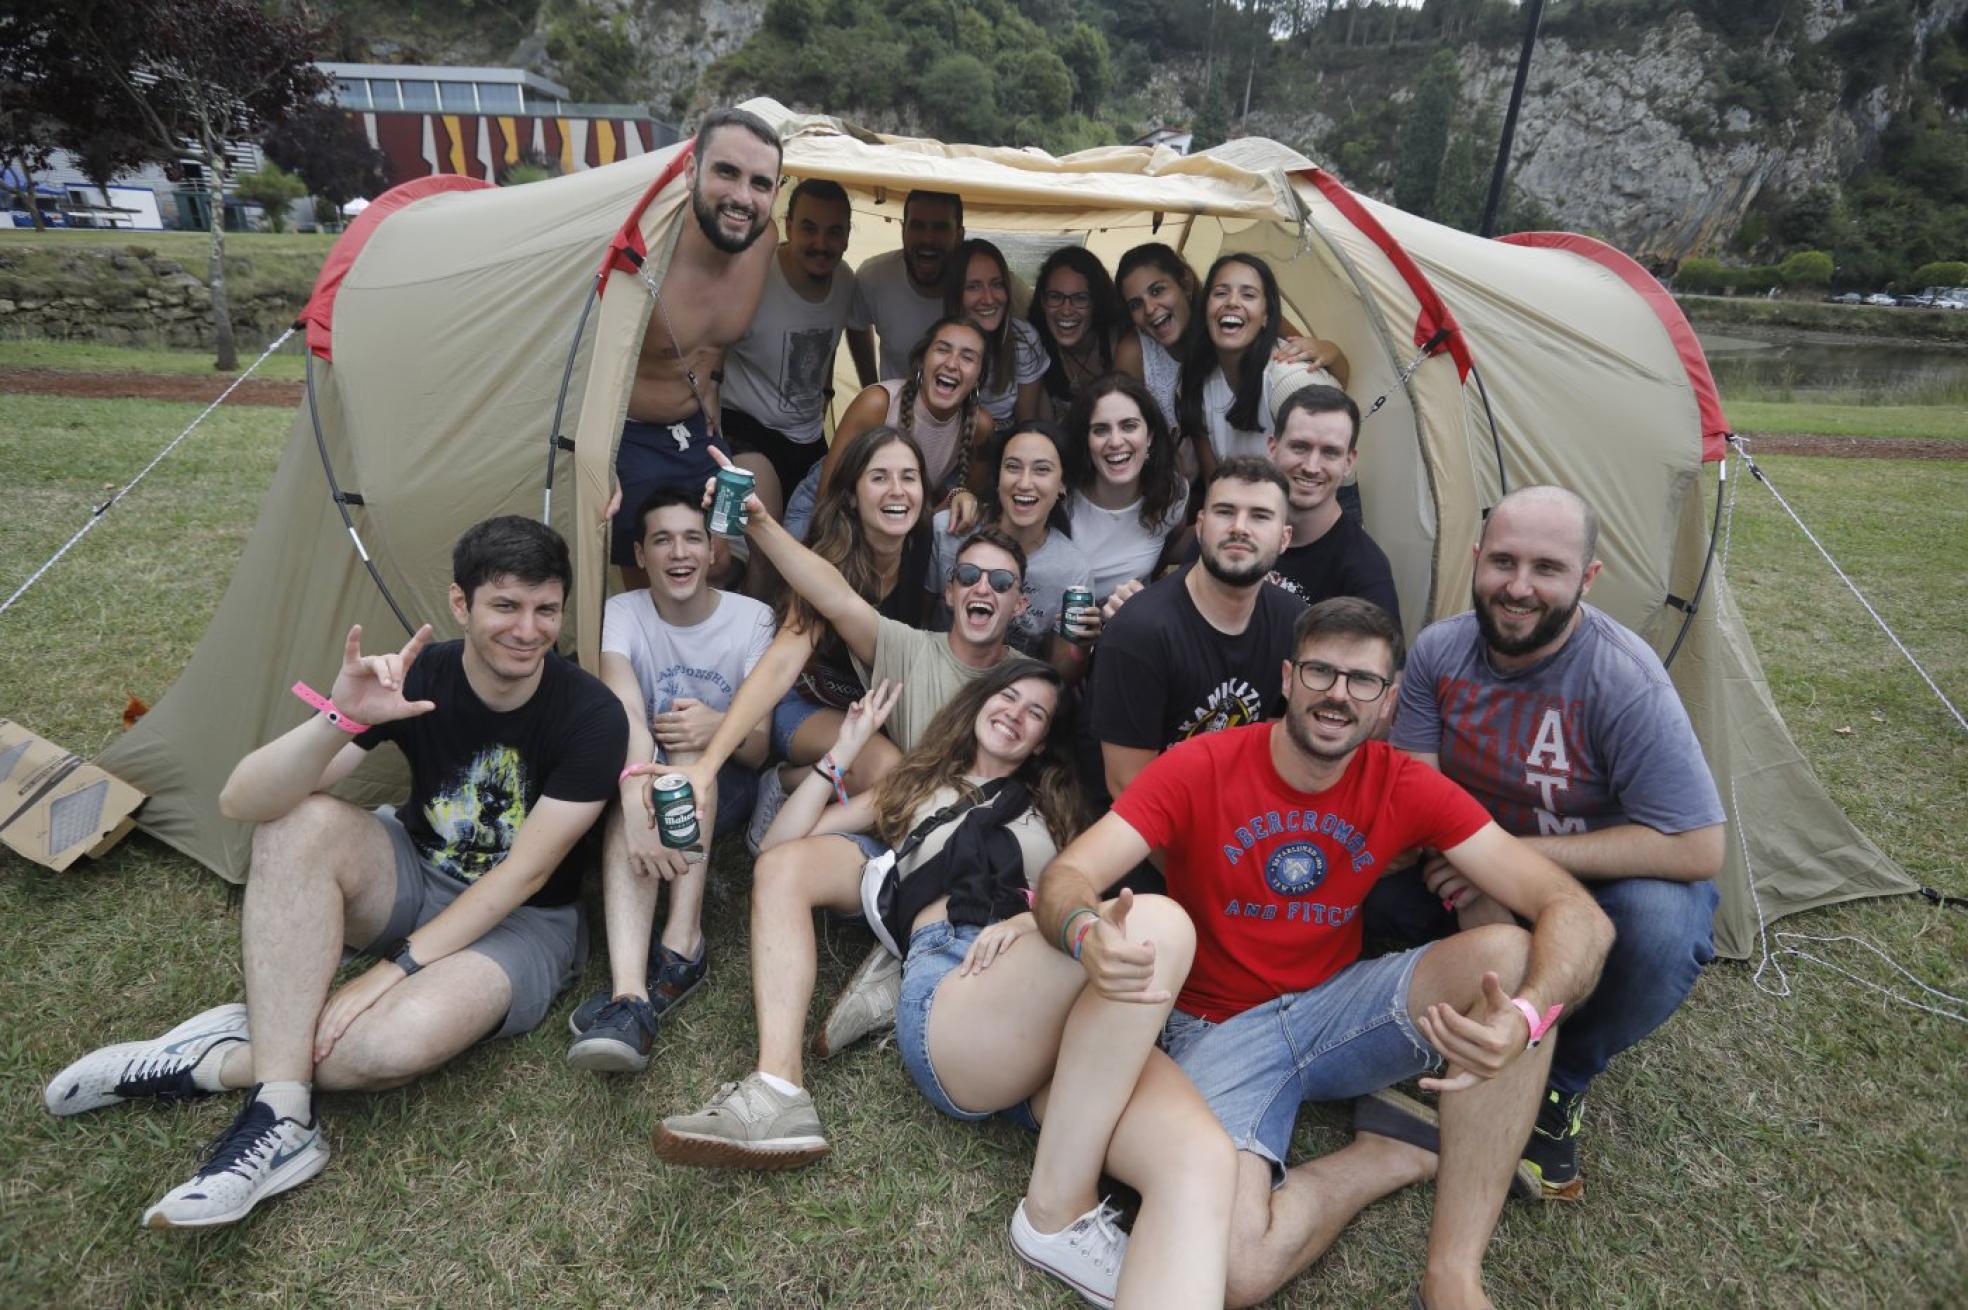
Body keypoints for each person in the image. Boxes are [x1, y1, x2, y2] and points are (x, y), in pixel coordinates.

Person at [1035, 596, 1616, 1309]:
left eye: (1362, 681)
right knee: (1237, 1272)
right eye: (1321, 671)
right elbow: (1067, 876)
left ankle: (1453, 1275)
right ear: (1287, 677)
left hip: (1336, 1008)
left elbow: (1576, 913)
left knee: (1521, 958)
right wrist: (1082, 933)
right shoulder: (1201, 765)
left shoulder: (1403, 783)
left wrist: (1525, 1018)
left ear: (1388, 700)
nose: (1339, 694)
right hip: (1217, 1029)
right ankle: (1389, 1154)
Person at [44, 518, 626, 1228]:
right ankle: (284, 1117)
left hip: (521, 926)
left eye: (546, 609)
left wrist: (392, 973)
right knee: (299, 822)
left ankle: (218, 1057)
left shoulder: (591, 714)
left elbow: (525, 877)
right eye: (506, 605)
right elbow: (245, 801)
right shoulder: (422, 676)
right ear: (460, 603)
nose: (528, 629)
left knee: (382, 1048)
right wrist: (339, 719)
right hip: (411, 870)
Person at [654, 665, 1236, 1310]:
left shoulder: (1062, 813)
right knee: (1158, 927)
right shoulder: (914, 786)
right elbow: (780, 849)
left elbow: (1091, 896)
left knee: (1203, 1158)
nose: (1015, 713)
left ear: (1044, 739)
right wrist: (842, 752)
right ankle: (779, 1087)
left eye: (1036, 712)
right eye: (1006, 697)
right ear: (979, 704)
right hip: (963, 990)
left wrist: (1027, 916)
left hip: (1066, 1030)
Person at [1378, 484, 1726, 1200]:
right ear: (1476, 562)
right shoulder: (1441, 653)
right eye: (1502, 562)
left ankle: (1562, 1081)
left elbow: (1698, 846)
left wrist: (1510, 860)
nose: (1519, 587)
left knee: (1665, 927)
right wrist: (1476, 882)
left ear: (1587, 578)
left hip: (1577, 881)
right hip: (1463, 866)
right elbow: (1416, 796)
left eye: (1547, 568)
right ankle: (1443, 1035)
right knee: (1374, 894)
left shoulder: (1623, 679)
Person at [565, 488, 776, 1072]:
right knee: (653, 781)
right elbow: (624, 707)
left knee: (681, 764)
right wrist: (635, 792)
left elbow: (758, 750)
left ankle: (684, 943)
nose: (679, 553)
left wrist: (716, 728)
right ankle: (630, 995)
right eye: (662, 539)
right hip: (644, 772)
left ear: (713, 550)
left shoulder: (752, 619)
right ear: (640, 552)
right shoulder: (624, 612)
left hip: (722, 784)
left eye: (692, 538)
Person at [678, 425, 932, 852]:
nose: (897, 491)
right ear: (851, 494)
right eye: (879, 477)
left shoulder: (928, 547)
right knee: (889, 772)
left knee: (921, 775)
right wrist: (707, 765)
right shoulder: (830, 560)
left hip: (883, 707)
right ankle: (784, 792)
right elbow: (779, 664)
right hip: (812, 706)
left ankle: (815, 802)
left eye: (909, 477)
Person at [613, 107, 782, 587]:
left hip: (703, 437)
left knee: (721, 563)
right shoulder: (642, 253)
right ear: (691, 172)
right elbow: (580, 360)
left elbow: (713, 350)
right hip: (632, 442)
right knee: (656, 581)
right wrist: (596, 465)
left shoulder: (765, 242)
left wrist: (713, 413)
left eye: (760, 183)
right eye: (726, 172)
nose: (741, 197)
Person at [1080, 456, 1303, 811]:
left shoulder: (1291, 618)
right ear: (1200, 526)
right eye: (1225, 512)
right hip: (1132, 829)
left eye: (1260, 516)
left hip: (1230, 805)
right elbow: (1129, 791)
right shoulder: (1141, 631)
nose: (1239, 528)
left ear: (1284, 538)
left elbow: (1281, 737)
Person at [782, 316, 996, 542]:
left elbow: (966, 496)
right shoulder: (878, 404)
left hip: (894, 518)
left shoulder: (979, 426)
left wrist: (952, 499)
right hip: (828, 509)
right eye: (943, 350)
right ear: (922, 360)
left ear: (979, 377)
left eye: (968, 357)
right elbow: (827, 498)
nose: (952, 364)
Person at [718, 178, 857, 520]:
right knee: (760, 538)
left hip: (808, 436)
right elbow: (709, 346)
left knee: (823, 532)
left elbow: (837, 336)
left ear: (847, 236)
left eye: (833, 232)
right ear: (789, 227)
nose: (820, 244)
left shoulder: (846, 281)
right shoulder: (755, 277)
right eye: (809, 229)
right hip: (744, 430)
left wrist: (830, 389)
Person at [1115, 241, 1349, 439]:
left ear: (1185, 283)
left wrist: (1332, 351)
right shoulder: (1134, 353)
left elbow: (1321, 371)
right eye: (1135, 304)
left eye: (1157, 291)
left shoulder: (1231, 318)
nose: (1149, 308)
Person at [923, 419, 1099, 674]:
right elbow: (919, 623)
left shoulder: (1072, 571)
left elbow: (1060, 677)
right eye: (1013, 467)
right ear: (997, 479)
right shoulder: (949, 531)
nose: (1024, 483)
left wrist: (1081, 648)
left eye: (1042, 470)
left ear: (1062, 485)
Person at [1175, 252, 1342, 485]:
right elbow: (1216, 482)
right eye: (1221, 293)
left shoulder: (1289, 379)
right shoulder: (1196, 379)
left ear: (1266, 316)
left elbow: (1318, 477)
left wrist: (1332, 349)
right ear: (1205, 310)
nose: (1232, 302)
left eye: (1248, 294)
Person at [1261, 385, 1400, 620]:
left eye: (1330, 452)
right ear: (1273, 448)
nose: (1311, 467)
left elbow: (1380, 655)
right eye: (1299, 447)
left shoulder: (1365, 571)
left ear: (1348, 462)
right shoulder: (1234, 527)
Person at [1064, 372, 1188, 605]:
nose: (1116, 441)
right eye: (1100, 430)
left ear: (1149, 435)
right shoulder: (1061, 497)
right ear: (1085, 440)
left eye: (1129, 426)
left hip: (1131, 628)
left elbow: (1168, 545)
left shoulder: (1172, 492)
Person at [846, 189, 964, 386]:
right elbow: (856, 325)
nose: (928, 239)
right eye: (917, 226)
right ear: (903, 229)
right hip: (896, 413)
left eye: (940, 228)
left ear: (959, 235)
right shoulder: (874, 276)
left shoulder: (984, 287)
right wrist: (871, 389)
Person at [945, 237, 1048, 427]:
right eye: (973, 286)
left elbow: (1027, 422)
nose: (989, 298)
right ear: (955, 294)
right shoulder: (940, 346)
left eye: (996, 284)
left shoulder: (1022, 339)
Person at [1029, 246, 1124, 420]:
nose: (1066, 310)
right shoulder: (1037, 348)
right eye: (1055, 297)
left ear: (1097, 301)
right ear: (1042, 301)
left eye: (1080, 298)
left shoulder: (1120, 344)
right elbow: (1043, 427)